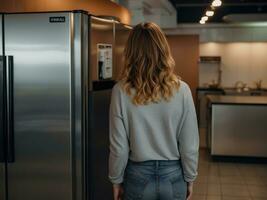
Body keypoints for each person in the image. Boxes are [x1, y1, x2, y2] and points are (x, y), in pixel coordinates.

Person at [108, 22, 199, 200]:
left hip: (137, 176)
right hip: (174, 175)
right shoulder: (182, 90)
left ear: (130, 52)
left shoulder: (120, 90)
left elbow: (119, 147)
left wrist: (116, 180)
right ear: (163, 50)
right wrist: (190, 178)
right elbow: (189, 144)